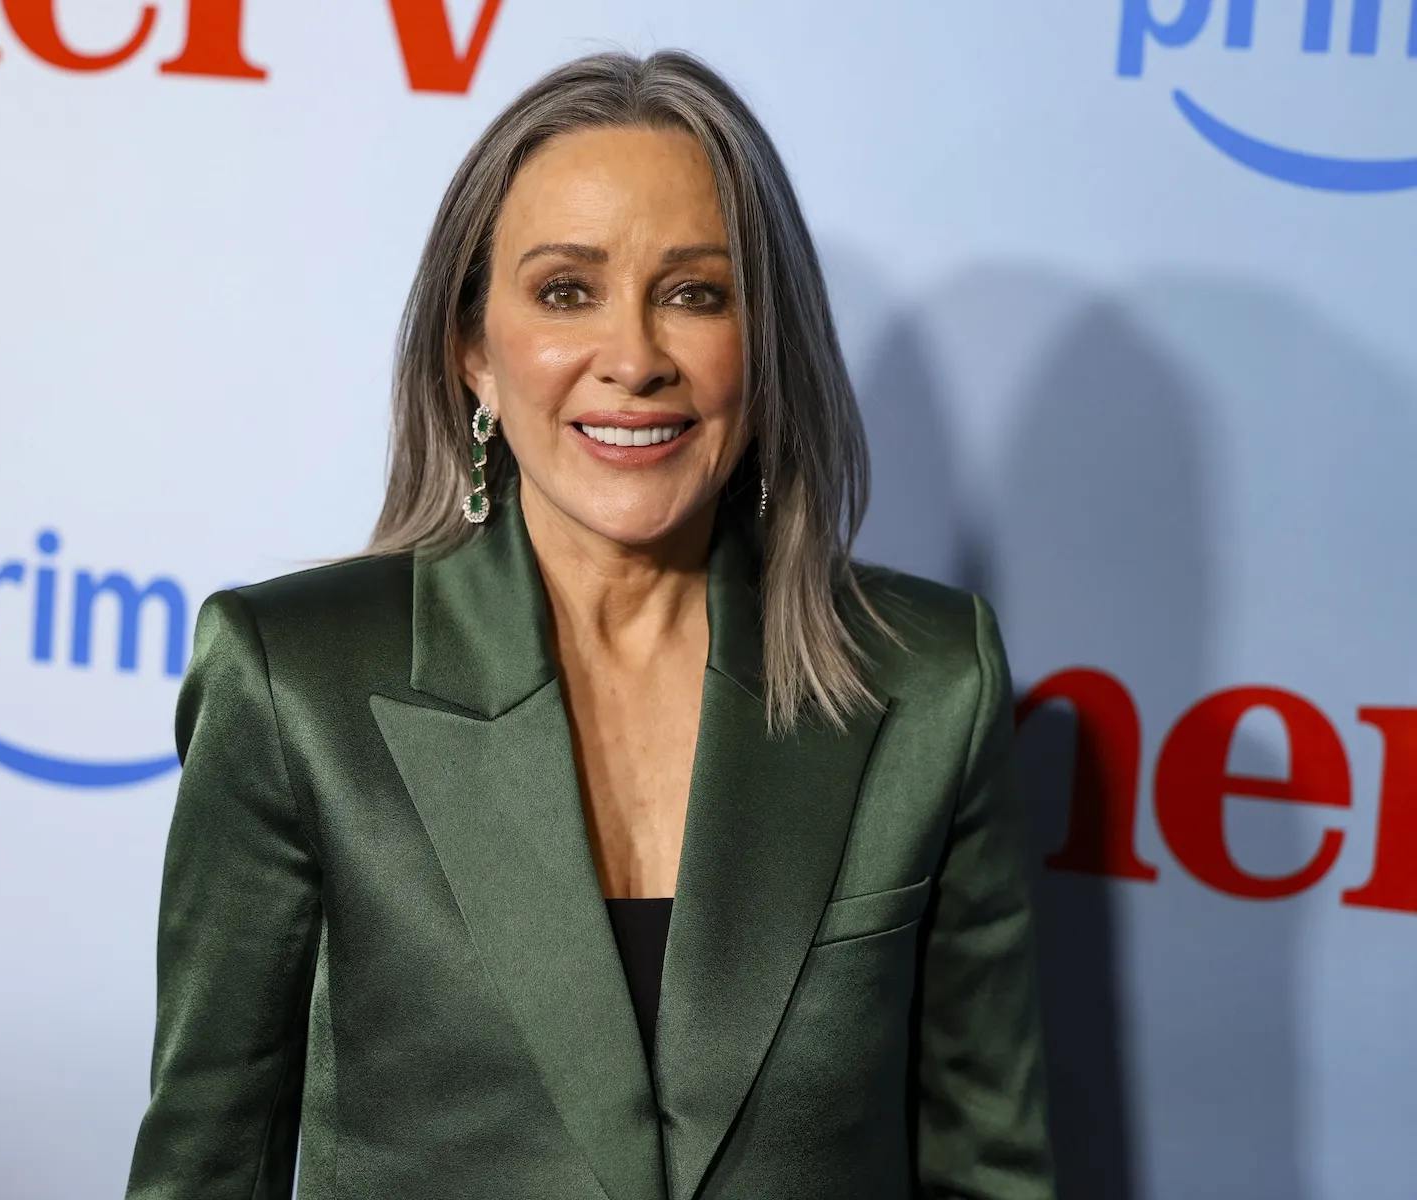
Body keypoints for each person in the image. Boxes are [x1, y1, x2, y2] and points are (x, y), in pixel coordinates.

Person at [126, 50, 1053, 1200]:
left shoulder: (928, 681)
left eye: (695, 293)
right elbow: (207, 1164)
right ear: (474, 350)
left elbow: (992, 1171)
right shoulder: (293, 680)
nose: (634, 358)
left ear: (763, 354)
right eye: (567, 290)